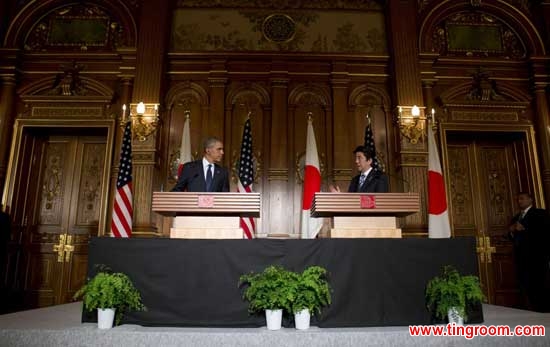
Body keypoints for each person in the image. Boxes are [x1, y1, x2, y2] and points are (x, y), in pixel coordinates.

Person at [507, 192, 550, 312]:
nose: (519, 201)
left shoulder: (540, 213)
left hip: (537, 257)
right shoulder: (516, 217)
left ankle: (542, 310)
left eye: (522, 198)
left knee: (539, 284)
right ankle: (528, 308)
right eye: (518, 199)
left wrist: (524, 230)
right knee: (524, 285)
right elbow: (510, 236)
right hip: (520, 258)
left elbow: (544, 232)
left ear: (530, 199)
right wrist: (511, 230)